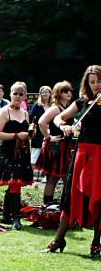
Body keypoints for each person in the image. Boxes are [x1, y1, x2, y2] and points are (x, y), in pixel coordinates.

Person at [45, 65, 101, 258]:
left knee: (98, 195)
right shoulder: (83, 101)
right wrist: (63, 125)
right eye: (92, 82)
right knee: (71, 194)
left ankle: (96, 243)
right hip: (82, 153)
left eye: (99, 81)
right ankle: (59, 239)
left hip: (99, 155)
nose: (96, 86)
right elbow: (58, 117)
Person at [0, 82, 34, 229]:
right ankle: (16, 218)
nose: (18, 96)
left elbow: (26, 134)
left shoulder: (26, 113)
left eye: (21, 94)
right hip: (7, 152)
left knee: (14, 183)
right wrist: (17, 135)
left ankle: (5, 215)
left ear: (25, 96)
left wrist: (28, 135)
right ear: (10, 94)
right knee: (15, 184)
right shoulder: (5, 111)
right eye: (15, 93)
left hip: (22, 152)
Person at [35, 81, 74, 205]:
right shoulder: (55, 108)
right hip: (56, 147)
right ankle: (47, 206)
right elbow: (41, 122)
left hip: (65, 147)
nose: (68, 93)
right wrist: (48, 137)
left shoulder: (67, 108)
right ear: (58, 93)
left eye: (69, 90)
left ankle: (62, 207)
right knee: (52, 178)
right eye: (65, 91)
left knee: (66, 178)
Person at [29, 85, 52, 176]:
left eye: (46, 92)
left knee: (48, 156)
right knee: (35, 154)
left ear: (50, 93)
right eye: (42, 92)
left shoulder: (53, 105)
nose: (44, 94)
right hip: (38, 133)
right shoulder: (37, 105)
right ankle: (30, 174)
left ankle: (45, 176)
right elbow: (31, 117)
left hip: (51, 132)